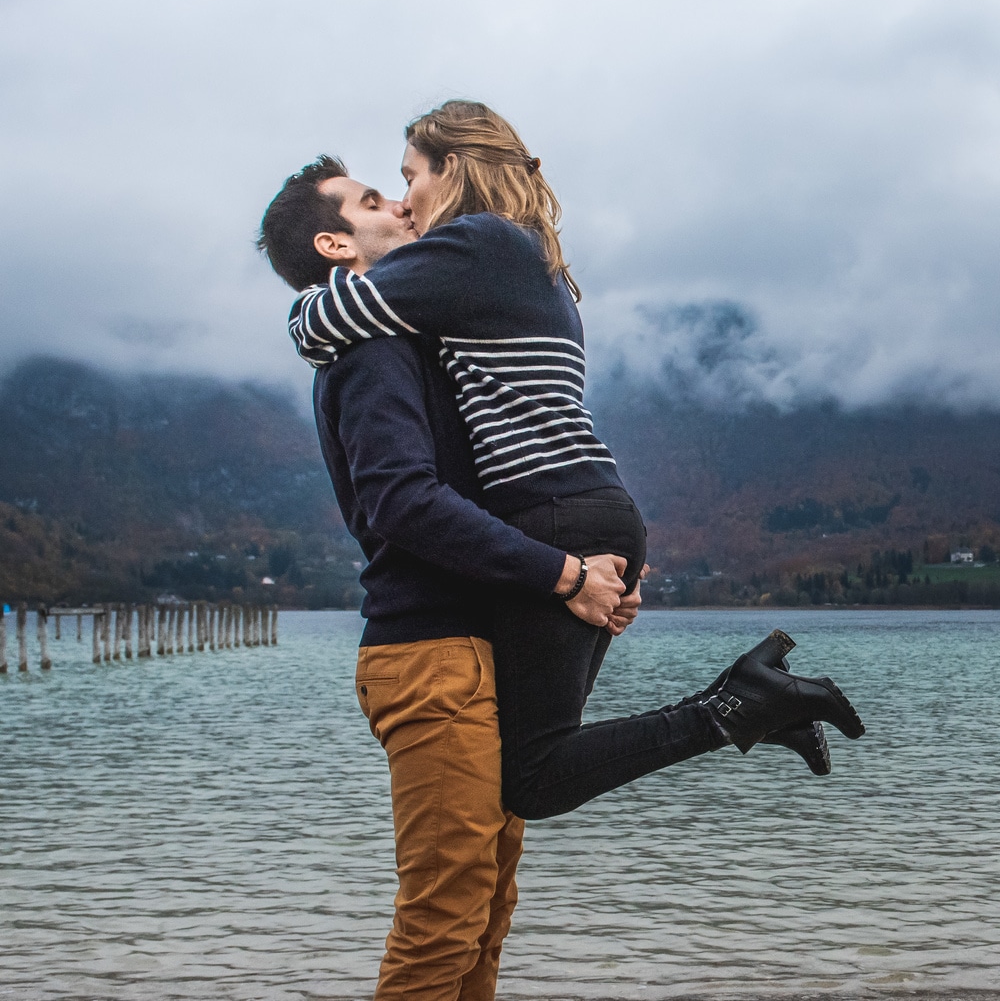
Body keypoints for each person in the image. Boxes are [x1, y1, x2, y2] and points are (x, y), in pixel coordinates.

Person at [258, 143, 862, 1000]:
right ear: (334, 247)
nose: (399, 204)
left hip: (480, 646)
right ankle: (736, 708)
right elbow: (401, 503)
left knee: (486, 912)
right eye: (369, 200)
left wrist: (590, 574)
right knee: (444, 921)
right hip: (428, 655)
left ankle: (739, 707)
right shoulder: (371, 353)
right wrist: (564, 576)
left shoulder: (422, 336)